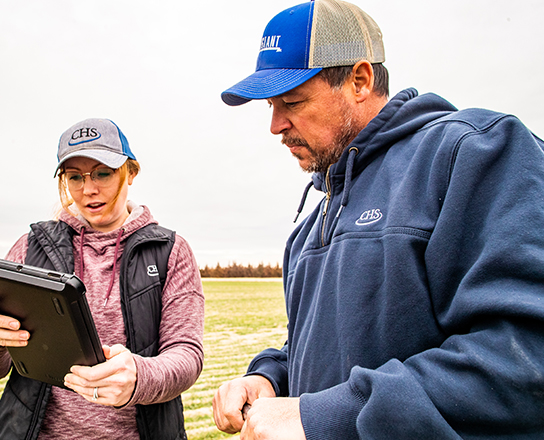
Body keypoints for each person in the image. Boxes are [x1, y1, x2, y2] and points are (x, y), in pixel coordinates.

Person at [212, 0, 544, 439]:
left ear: (360, 80)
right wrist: (271, 378)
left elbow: (526, 354)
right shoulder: (314, 218)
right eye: (271, 105)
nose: (276, 125)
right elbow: (324, 350)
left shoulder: (470, 154)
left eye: (292, 100)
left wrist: (329, 417)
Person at [0, 118, 204, 440]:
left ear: (131, 172)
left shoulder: (170, 251)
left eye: (103, 172)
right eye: (75, 177)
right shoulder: (32, 247)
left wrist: (138, 376)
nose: (89, 189)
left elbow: (186, 355)